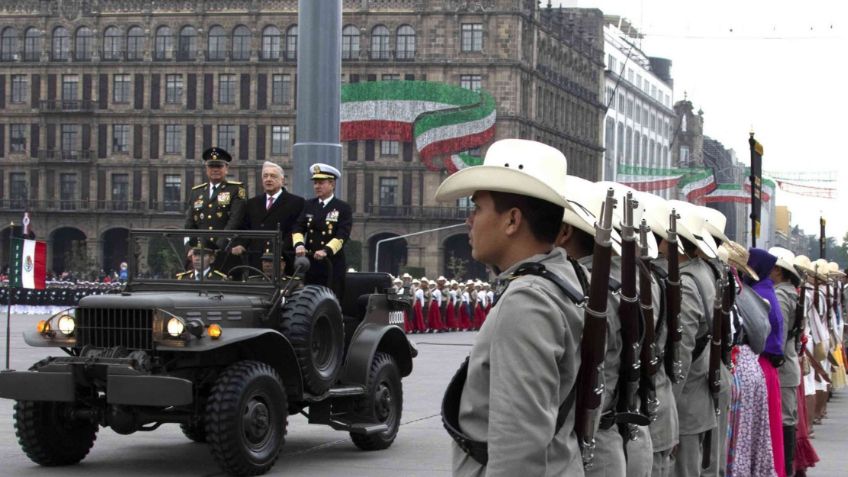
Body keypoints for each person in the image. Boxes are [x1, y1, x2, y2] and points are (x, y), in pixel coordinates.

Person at [437, 138, 585, 476]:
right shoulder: (558, 281)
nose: (469, 221)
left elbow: (518, 448)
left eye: (478, 208)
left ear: (512, 220)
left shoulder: (527, 301)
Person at [746, 248, 786, 477]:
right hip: (768, 366)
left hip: (760, 360)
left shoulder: (759, 294)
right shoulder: (767, 291)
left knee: (763, 429)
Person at [232, 161, 305, 275]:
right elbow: (245, 228)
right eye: (265, 176)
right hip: (256, 259)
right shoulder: (252, 203)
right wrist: (241, 244)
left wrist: (281, 249)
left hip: (282, 259)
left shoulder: (296, 202)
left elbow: (296, 229)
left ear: (282, 180)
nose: (268, 179)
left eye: (273, 176)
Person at [292, 163, 352, 298]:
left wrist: (326, 251)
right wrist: (299, 244)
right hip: (310, 261)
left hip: (331, 263)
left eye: (321, 183)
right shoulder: (309, 205)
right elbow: (298, 227)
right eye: (315, 183)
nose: (317, 186)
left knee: (331, 299)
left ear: (332, 184)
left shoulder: (342, 207)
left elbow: (342, 235)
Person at [769, 247, 803, 476]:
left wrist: (773, 356)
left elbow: (778, 333)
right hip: (790, 364)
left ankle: (785, 469)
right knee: (786, 419)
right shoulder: (792, 292)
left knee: (783, 422)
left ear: (779, 271)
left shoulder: (781, 294)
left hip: (783, 367)